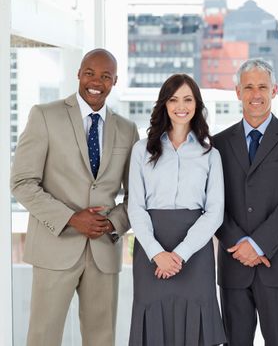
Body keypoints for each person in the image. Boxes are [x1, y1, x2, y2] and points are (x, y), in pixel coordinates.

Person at [10, 49, 139, 346]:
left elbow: (138, 195)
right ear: (78, 74)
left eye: (105, 76)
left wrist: (112, 223)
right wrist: (71, 218)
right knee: (43, 337)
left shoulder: (127, 130)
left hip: (104, 251)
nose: (96, 81)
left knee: (101, 339)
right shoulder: (45, 116)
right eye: (90, 73)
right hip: (55, 248)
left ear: (115, 81)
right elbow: (22, 182)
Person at [213, 58, 278, 346]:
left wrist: (256, 245)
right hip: (234, 264)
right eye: (248, 87)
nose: (255, 94)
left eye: (262, 87)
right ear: (237, 92)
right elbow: (214, 203)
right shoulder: (218, 143)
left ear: (274, 90)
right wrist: (239, 245)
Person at [127, 73, 226, 346]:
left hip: (195, 250)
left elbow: (215, 211)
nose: (181, 106)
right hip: (151, 250)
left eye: (187, 99)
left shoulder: (210, 154)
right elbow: (134, 206)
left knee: (195, 328)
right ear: (164, 104)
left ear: (196, 104)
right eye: (173, 99)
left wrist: (180, 254)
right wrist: (157, 253)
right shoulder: (141, 151)